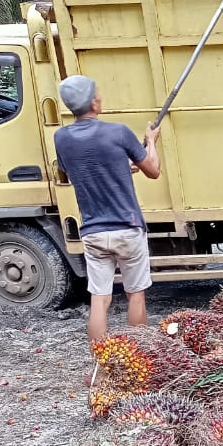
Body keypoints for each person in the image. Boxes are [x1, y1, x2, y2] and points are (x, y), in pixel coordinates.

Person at [54, 75, 161, 343]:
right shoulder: (119, 132)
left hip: (93, 232)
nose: (100, 97)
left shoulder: (62, 137)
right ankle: (136, 358)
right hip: (127, 227)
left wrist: (120, 166)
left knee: (99, 298)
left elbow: (74, 170)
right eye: (97, 93)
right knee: (135, 293)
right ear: (92, 102)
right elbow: (153, 170)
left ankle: (101, 367)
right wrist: (151, 142)